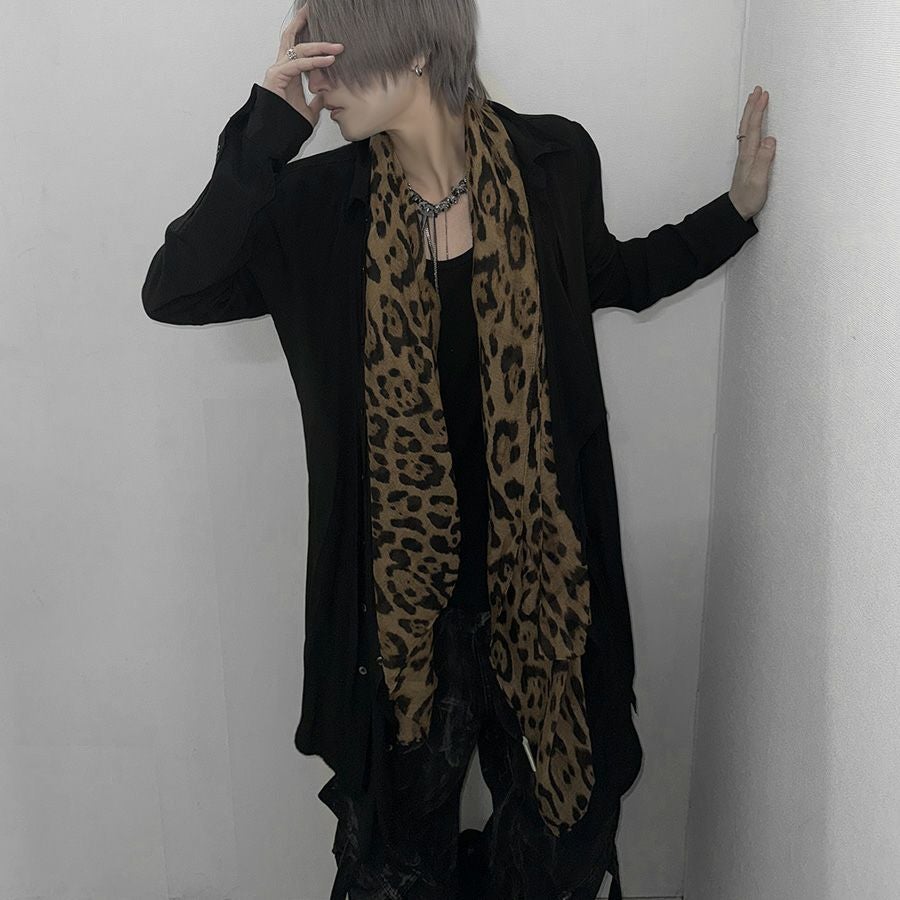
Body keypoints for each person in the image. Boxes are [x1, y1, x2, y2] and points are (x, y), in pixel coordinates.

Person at [142, 1, 773, 896]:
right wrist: (267, 129)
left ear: (413, 50)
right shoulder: (315, 208)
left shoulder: (552, 163)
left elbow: (617, 275)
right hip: (397, 624)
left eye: (331, 56)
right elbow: (175, 290)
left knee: (553, 858)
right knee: (393, 868)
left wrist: (735, 212)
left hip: (541, 598)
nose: (319, 83)